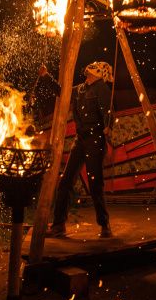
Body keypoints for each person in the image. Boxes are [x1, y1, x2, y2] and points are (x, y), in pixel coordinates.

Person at [37, 62, 114, 238]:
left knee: (95, 184)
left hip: (95, 140)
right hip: (80, 140)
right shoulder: (80, 89)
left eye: (94, 66)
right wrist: (45, 76)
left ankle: (104, 225)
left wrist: (108, 127)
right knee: (66, 182)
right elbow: (61, 92)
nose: (89, 67)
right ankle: (58, 225)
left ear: (99, 73)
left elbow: (108, 111)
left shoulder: (102, 88)